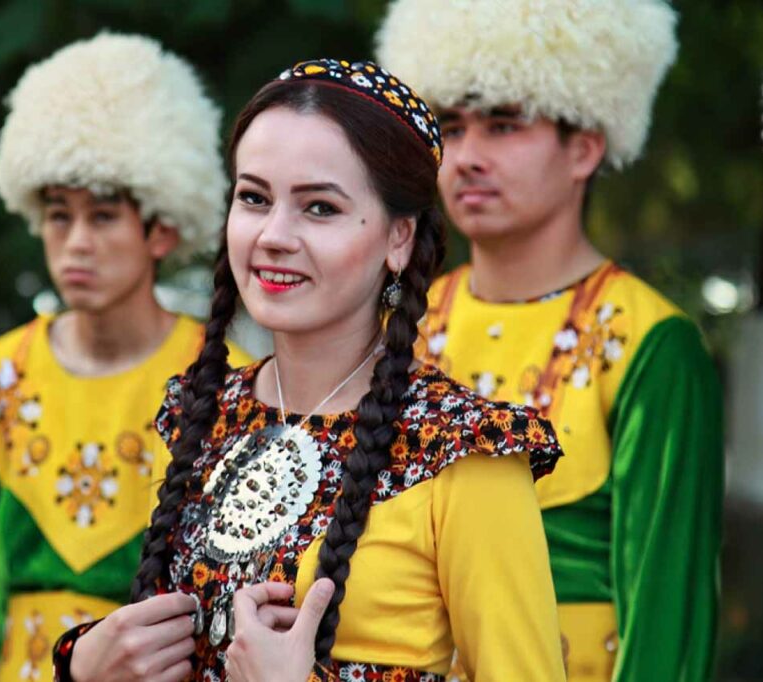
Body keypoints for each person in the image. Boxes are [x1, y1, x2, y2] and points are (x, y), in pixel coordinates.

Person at [54, 58, 567, 682]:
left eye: (319, 207)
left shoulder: (462, 450)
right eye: (253, 198)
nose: (273, 234)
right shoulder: (204, 413)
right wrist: (84, 667)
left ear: (398, 238)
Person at [376, 2, 724, 680]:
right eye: (450, 126)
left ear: (585, 148)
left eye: (504, 125)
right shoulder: (401, 327)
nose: (468, 156)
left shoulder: (653, 342)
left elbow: (666, 618)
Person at [0, 33, 251, 682]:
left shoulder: (226, 381)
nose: (75, 244)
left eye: (102, 217)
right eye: (58, 216)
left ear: (162, 229)